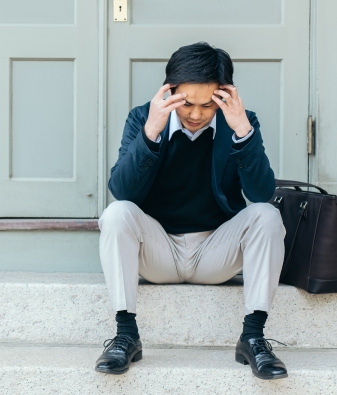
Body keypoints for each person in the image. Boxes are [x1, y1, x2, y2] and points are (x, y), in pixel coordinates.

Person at [95, 42, 287, 380]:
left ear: (224, 95)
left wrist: (242, 129)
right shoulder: (143, 118)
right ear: (170, 91)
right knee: (116, 213)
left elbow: (261, 193)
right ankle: (126, 335)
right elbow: (122, 190)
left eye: (207, 104)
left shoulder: (239, 122)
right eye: (186, 103)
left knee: (267, 215)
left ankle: (253, 337)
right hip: (158, 251)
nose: (196, 114)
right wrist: (151, 131)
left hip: (215, 252)